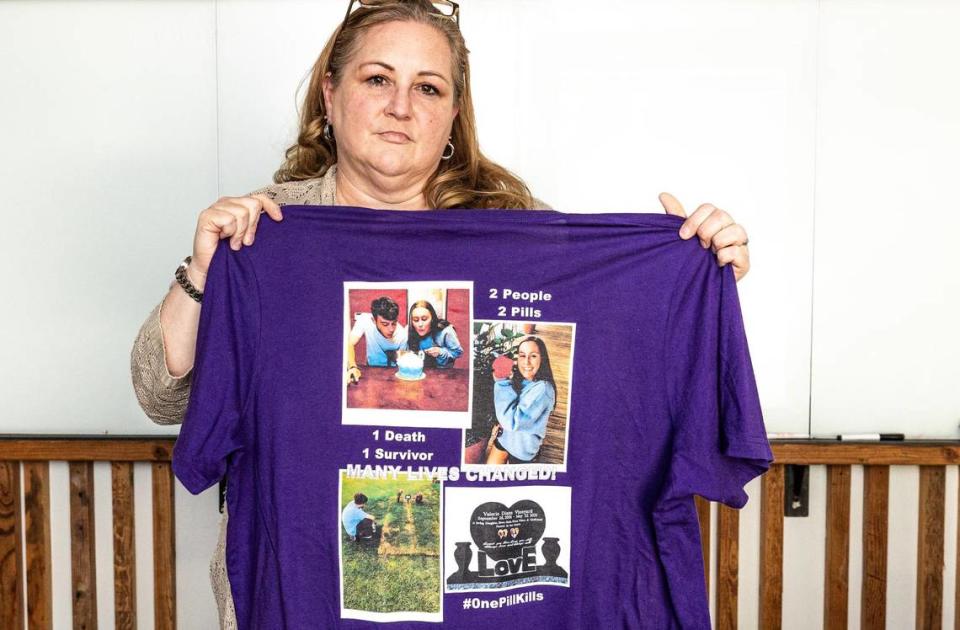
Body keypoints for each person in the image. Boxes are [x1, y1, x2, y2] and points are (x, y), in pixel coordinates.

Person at [129, 1, 753, 627]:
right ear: (330, 91)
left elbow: (614, 368)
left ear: (453, 113)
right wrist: (205, 273)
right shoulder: (265, 232)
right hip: (312, 593)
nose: (400, 105)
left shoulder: (520, 232)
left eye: (427, 87)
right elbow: (162, 394)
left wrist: (689, 270)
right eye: (378, 79)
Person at [465, 337, 557, 465]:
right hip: (504, 440)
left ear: (543, 359)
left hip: (523, 451)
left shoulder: (543, 389)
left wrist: (501, 381)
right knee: (489, 478)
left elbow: (512, 422)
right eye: (522, 355)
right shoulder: (518, 379)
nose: (527, 362)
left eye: (533, 356)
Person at [346, 296, 408, 383]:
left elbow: (402, 364)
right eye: (385, 324)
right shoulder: (364, 320)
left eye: (394, 323)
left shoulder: (403, 335)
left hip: (393, 373)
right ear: (374, 321)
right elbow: (349, 344)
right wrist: (352, 367)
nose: (391, 329)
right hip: (370, 370)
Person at [405, 299, 463, 368]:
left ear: (432, 318)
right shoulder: (408, 330)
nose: (420, 324)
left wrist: (440, 352)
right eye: (416, 320)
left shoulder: (445, 331)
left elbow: (458, 352)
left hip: (443, 373)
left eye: (424, 319)